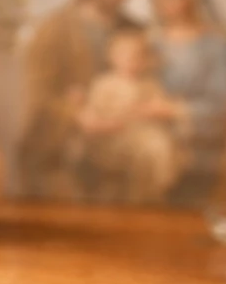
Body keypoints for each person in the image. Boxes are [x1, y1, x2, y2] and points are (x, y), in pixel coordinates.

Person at [18, 0, 144, 198]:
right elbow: (39, 93)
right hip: (62, 141)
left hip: (120, 132)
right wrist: (77, 115)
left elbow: (146, 81)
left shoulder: (133, 29)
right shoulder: (55, 27)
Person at [141, 0, 226, 205]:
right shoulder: (147, 41)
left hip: (202, 141)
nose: (163, 3)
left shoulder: (218, 45)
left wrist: (174, 110)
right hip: (147, 135)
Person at [73, 28, 181, 204]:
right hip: (112, 135)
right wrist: (99, 120)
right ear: (112, 57)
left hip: (141, 131)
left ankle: (151, 192)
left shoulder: (149, 83)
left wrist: (157, 109)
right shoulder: (105, 83)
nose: (132, 61)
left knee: (158, 144)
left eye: (138, 56)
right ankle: (138, 194)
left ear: (145, 60)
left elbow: (161, 106)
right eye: (124, 55)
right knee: (151, 147)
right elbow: (92, 114)